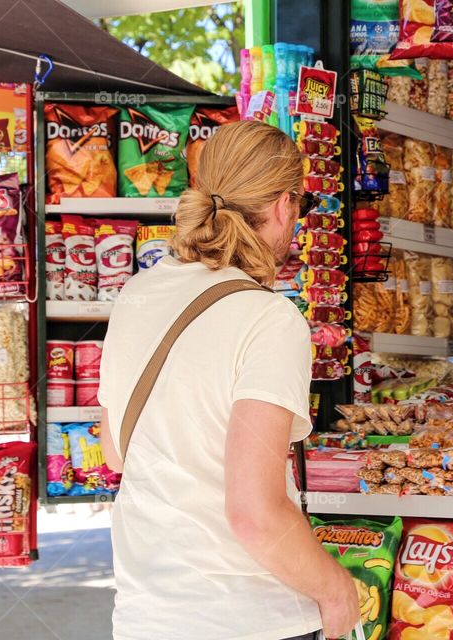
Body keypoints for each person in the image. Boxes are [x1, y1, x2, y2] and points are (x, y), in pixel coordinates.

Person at [97, 120, 359, 640]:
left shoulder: (137, 294)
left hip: (145, 617)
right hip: (249, 619)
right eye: (300, 208)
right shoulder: (269, 319)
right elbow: (254, 514)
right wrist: (337, 590)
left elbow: (115, 454)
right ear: (284, 206)